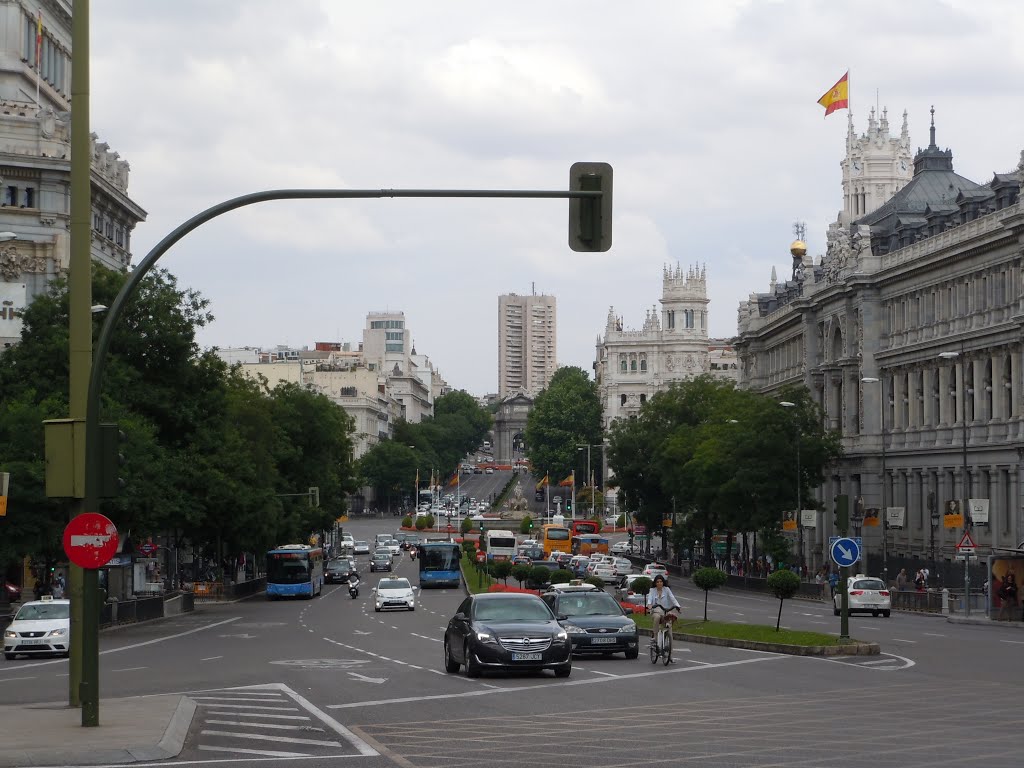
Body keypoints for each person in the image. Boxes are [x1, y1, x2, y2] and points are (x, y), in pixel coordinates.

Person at [646, 574, 680, 658]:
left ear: (663, 582)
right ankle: (654, 638)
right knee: (657, 617)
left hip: (666, 611)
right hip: (656, 611)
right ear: (655, 583)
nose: (659, 583)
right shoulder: (652, 590)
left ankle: (670, 656)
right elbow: (650, 599)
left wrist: (678, 606)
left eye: (661, 581)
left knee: (670, 632)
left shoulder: (667, 589)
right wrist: (649, 605)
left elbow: (673, 598)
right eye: (657, 582)